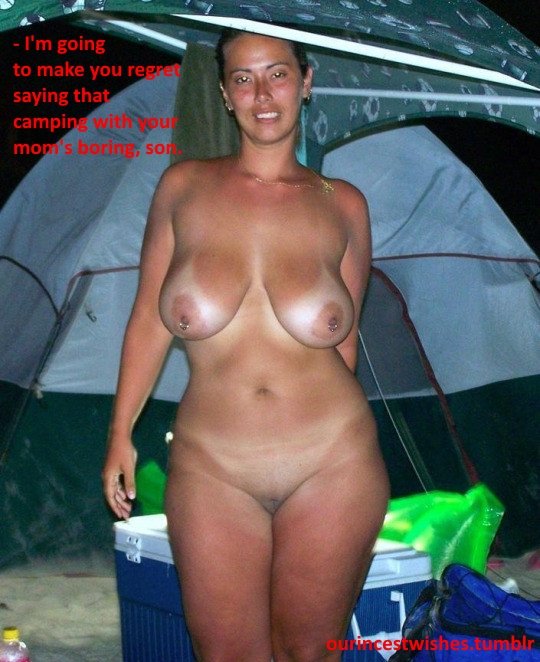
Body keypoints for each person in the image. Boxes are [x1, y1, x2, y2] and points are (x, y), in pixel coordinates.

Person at [103, 28, 390, 662]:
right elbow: (149, 319)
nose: (262, 94)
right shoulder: (182, 188)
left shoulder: (343, 205)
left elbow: (345, 344)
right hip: (213, 466)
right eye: (243, 78)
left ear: (306, 83)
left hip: (332, 460)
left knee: (309, 653)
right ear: (225, 94)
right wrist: (120, 431)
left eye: (277, 74)